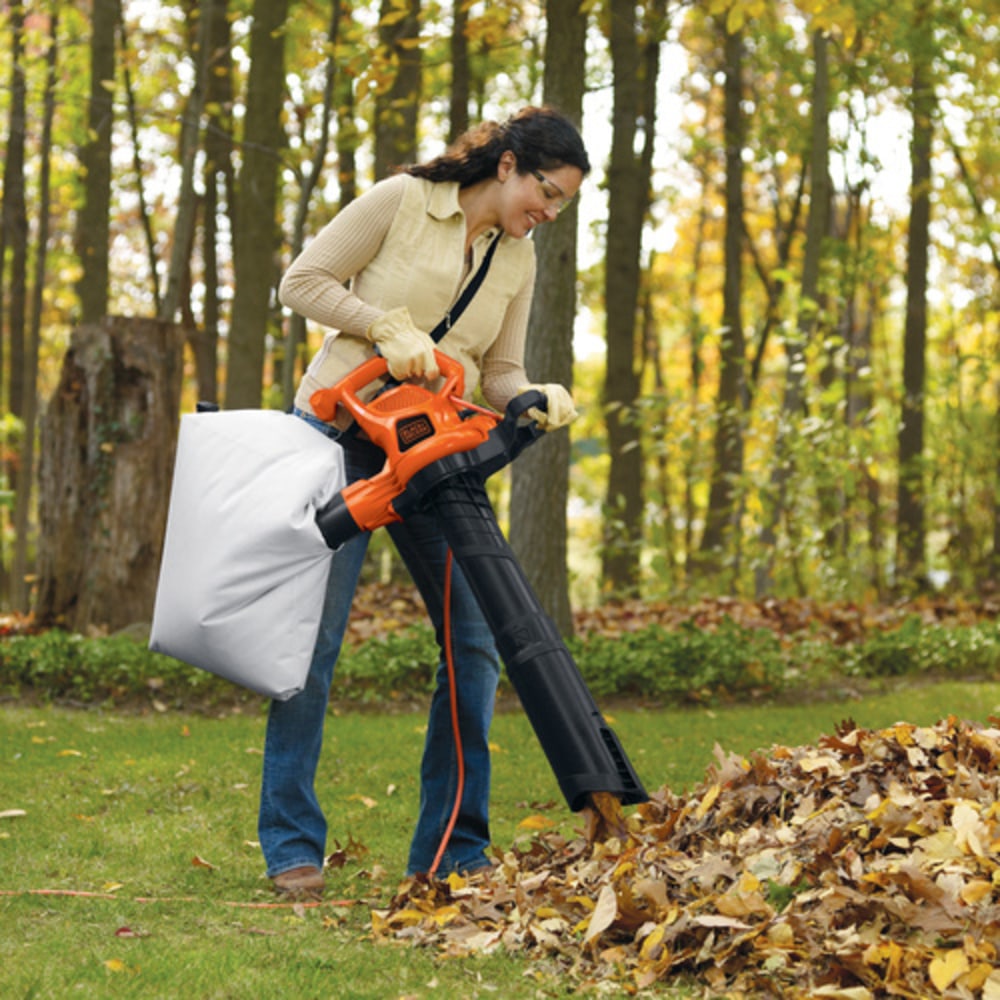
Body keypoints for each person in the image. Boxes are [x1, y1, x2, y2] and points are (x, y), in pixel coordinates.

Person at [260, 106, 591, 899]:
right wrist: (383, 327)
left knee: (473, 643)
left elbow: (499, 367)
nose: (548, 212)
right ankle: (291, 842)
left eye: (564, 204)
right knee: (315, 644)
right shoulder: (401, 201)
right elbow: (300, 281)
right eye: (545, 191)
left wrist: (533, 396)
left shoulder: (520, 256)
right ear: (507, 164)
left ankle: (452, 849)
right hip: (340, 433)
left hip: (438, 457)